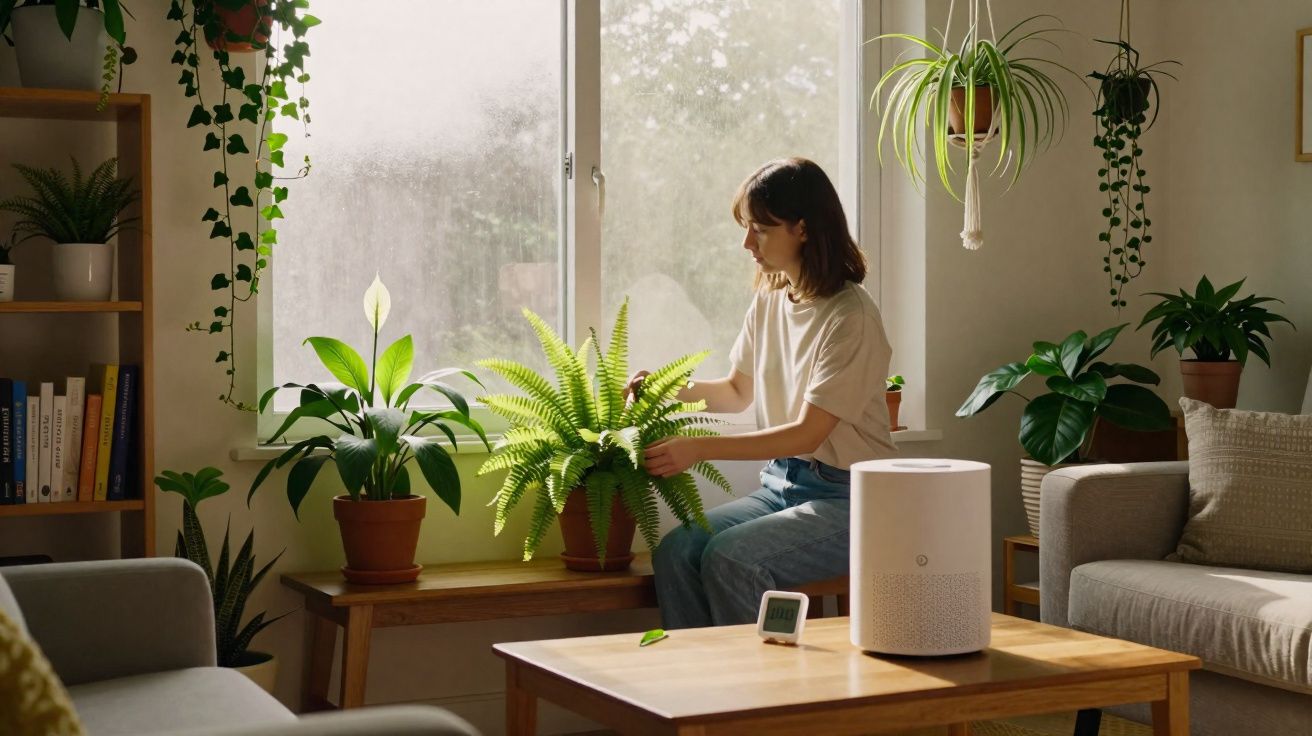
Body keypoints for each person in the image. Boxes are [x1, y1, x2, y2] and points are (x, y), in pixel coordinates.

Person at [632, 157, 897, 630]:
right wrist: (669, 389)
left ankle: (764, 694)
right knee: (676, 551)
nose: (746, 243)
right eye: (746, 227)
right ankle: (709, 692)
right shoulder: (771, 299)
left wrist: (697, 448)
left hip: (851, 498)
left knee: (734, 559)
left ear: (803, 229)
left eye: (759, 229)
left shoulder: (850, 317)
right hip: (781, 486)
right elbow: (736, 392)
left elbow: (806, 433)